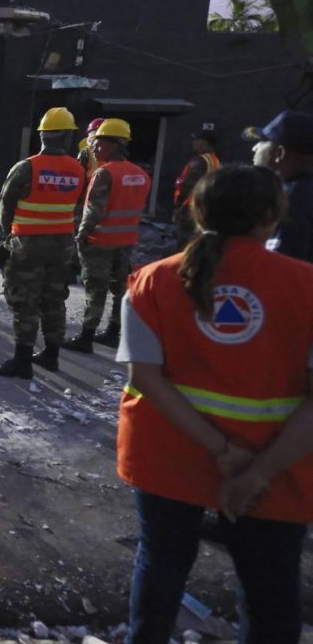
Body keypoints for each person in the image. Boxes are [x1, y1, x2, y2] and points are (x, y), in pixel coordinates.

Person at [116, 165, 313, 644]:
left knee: (161, 567)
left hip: (169, 456)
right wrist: (257, 471)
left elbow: (146, 377)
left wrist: (221, 450)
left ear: (198, 212)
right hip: (274, 462)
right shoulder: (306, 285)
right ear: (271, 218)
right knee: (269, 593)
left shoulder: (150, 281)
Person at [0, 107, 85, 378]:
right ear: (67, 136)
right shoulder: (79, 170)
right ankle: (51, 356)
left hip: (28, 244)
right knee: (54, 299)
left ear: (42, 136)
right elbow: (76, 206)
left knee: (24, 301)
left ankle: (22, 361)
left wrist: (9, 236)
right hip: (63, 245)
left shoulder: (27, 168)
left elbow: (5, 207)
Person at [64, 119, 151, 354]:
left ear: (113, 144)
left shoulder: (104, 174)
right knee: (120, 289)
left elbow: (93, 211)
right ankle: (113, 333)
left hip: (99, 242)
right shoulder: (141, 174)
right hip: (126, 242)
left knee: (96, 290)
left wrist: (80, 237)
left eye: (99, 142)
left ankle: (86, 337)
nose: (94, 147)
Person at [248, 109, 313, 263]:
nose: (255, 148)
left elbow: (280, 267)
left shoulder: (290, 198)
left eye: (263, 141)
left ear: (279, 153)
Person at [171, 128, 220, 248]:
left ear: (204, 143)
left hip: (190, 207)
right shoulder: (214, 160)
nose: (193, 143)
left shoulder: (199, 161)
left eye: (196, 140)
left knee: (185, 242)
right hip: (203, 206)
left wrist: (180, 206)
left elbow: (189, 186)